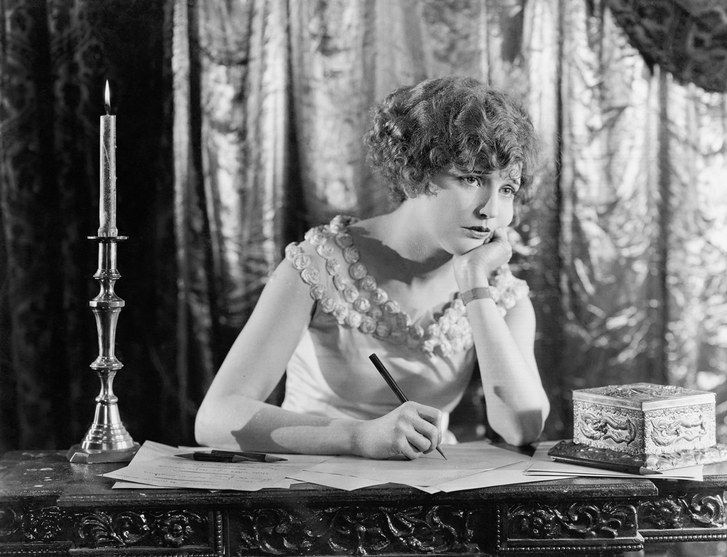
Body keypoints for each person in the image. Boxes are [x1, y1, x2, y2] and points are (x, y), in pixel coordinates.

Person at [195, 76, 550, 460]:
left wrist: (474, 286)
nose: (491, 210)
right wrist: (359, 437)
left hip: (428, 499)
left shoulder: (498, 290)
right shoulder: (321, 265)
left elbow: (521, 427)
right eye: (470, 178)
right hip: (311, 494)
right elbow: (216, 418)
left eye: (507, 189)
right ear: (416, 174)